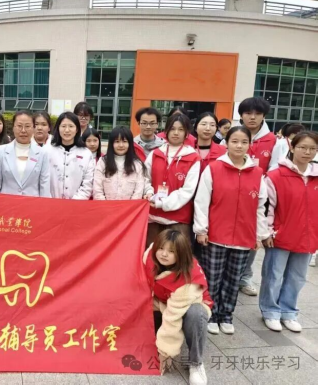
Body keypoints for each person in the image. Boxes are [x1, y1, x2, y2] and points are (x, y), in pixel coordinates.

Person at [194, 126, 269, 335]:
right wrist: (201, 229)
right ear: (226, 143)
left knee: (233, 278)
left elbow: (260, 207)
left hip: (244, 236)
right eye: (234, 141)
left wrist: (259, 235)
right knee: (213, 277)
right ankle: (211, 313)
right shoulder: (214, 168)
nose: (239, 146)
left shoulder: (257, 173)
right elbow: (202, 201)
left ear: (249, 145)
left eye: (244, 142)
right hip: (216, 234)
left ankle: (226, 315)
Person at [260, 131, 318, 333]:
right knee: (273, 275)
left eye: (312, 148)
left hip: (308, 236)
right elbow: (267, 206)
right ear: (292, 147)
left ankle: (288, 311)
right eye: (302, 147)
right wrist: (267, 232)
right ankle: (270, 311)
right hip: (280, 235)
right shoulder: (276, 175)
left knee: (297, 277)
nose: (307, 152)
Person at [145, 230, 212, 385]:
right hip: (162, 301)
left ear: (181, 254)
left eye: (171, 251)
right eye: (161, 248)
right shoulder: (150, 255)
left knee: (196, 314)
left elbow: (172, 318)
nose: (164, 254)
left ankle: (196, 363)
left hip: (187, 307)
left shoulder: (187, 280)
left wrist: (165, 352)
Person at [235, 97, 277, 297]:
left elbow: (275, 171)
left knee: (253, 237)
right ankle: (231, 274)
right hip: (232, 195)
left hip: (259, 198)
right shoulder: (233, 136)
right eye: (248, 113)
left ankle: (245, 276)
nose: (252, 117)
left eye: (257, 114)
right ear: (241, 115)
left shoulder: (273, 141)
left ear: (264, 116)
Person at [145, 114, 200, 247]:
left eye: (181, 129)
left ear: (187, 133)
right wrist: (149, 192)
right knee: (151, 254)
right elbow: (145, 178)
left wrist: (163, 203)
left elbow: (188, 191)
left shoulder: (193, 157)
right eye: (172, 129)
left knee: (176, 255)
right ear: (166, 131)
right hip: (153, 217)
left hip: (178, 219)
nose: (176, 133)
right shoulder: (155, 154)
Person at [0, 111, 51, 197]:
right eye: (19, 126)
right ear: (13, 128)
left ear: (33, 128)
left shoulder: (42, 153)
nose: (23, 130)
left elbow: (45, 186)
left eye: (27, 126)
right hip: (6, 202)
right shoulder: (1, 151)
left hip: (32, 203)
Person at [93, 126, 152, 200]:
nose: (121, 145)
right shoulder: (103, 162)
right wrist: (105, 205)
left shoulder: (137, 164)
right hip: (105, 206)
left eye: (124, 141)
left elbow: (138, 191)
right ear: (111, 143)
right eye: (117, 141)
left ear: (130, 143)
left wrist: (130, 206)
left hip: (131, 206)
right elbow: (97, 190)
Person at [47, 112, 95, 199]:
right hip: (51, 202)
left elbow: (88, 183)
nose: (67, 130)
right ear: (58, 128)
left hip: (77, 204)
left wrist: (74, 202)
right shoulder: (48, 151)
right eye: (63, 126)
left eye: (71, 126)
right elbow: (43, 180)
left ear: (77, 129)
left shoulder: (86, 154)